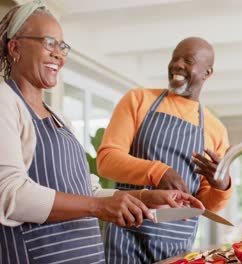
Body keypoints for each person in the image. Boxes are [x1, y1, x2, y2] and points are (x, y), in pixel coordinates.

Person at [0, 1, 203, 263]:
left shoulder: (59, 118)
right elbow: (10, 195)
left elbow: (89, 191)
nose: (59, 55)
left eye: (62, 47)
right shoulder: (4, 102)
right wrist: (98, 207)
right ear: (15, 47)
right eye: (49, 43)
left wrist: (145, 197)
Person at [97, 36, 233, 262]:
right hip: (125, 236)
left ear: (207, 73)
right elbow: (107, 160)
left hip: (176, 246)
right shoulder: (138, 100)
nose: (177, 65)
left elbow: (205, 205)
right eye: (174, 58)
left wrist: (222, 186)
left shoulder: (216, 129)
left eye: (188, 60)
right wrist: (159, 171)